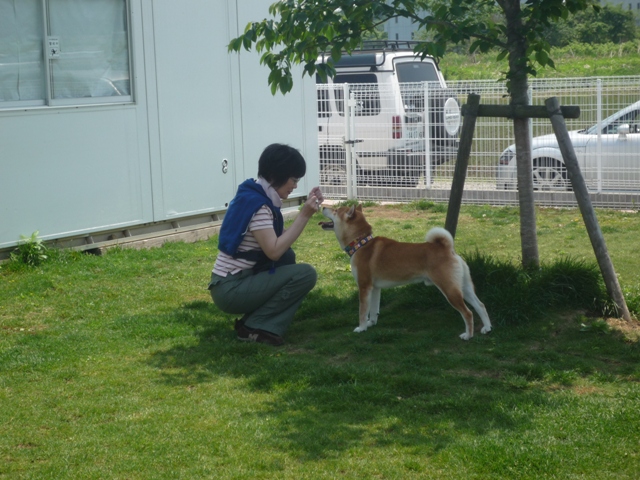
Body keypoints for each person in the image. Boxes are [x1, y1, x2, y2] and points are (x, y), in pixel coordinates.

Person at [208, 144, 324, 346]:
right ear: (275, 174)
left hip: (228, 283)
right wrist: (305, 215)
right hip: (230, 289)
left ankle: (252, 323)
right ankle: (256, 327)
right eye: (293, 179)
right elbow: (274, 251)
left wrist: (304, 212)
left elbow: (279, 245)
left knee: (288, 259)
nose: (295, 185)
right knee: (305, 274)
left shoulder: (252, 195)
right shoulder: (260, 206)